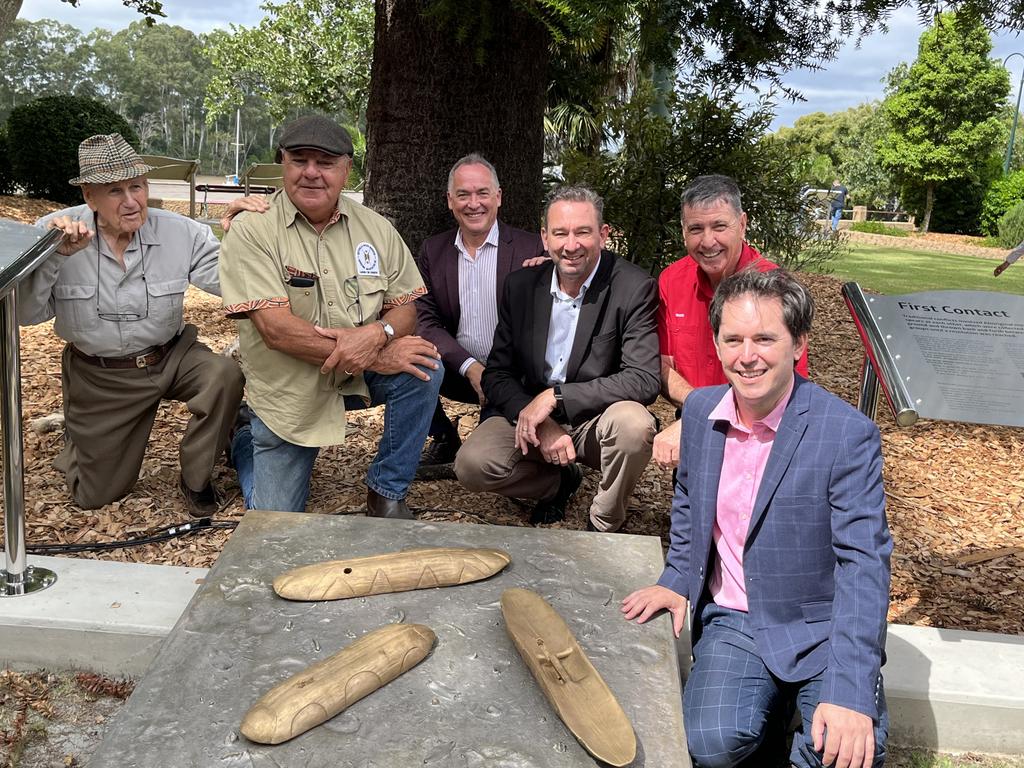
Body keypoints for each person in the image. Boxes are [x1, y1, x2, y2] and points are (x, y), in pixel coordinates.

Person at [622, 269, 892, 768]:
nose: (747, 356)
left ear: (798, 343)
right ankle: (768, 712)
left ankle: (807, 710)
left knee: (842, 754)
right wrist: (678, 577)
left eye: (765, 338)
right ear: (718, 344)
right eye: (733, 339)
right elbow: (689, 505)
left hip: (821, 630)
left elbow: (864, 566)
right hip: (736, 620)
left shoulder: (846, 434)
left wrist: (851, 689)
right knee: (711, 744)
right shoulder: (702, 413)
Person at [219, 114, 442, 518]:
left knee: (425, 365)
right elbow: (277, 332)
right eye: (299, 160)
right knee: (274, 521)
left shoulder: (376, 229)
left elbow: (406, 306)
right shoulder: (252, 230)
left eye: (325, 162)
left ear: (346, 169)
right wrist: (376, 355)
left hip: (352, 377)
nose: (311, 173)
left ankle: (386, 490)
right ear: (282, 163)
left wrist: (380, 331)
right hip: (290, 394)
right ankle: (244, 439)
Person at [18, 133, 250, 517]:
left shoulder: (181, 231)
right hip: (101, 376)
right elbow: (26, 314)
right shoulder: (53, 233)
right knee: (94, 496)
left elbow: (234, 283)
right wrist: (56, 256)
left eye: (137, 186)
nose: (131, 201)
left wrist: (247, 231)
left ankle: (196, 478)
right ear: (89, 196)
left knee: (223, 375)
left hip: (172, 356)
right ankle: (81, 436)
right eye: (115, 191)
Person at [454, 186, 660, 532]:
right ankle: (559, 483)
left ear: (603, 234)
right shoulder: (520, 286)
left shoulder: (633, 287)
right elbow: (497, 374)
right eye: (560, 233)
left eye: (583, 232)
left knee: (635, 426)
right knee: (472, 465)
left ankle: (605, 520)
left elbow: (643, 378)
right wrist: (539, 419)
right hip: (532, 417)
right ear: (545, 237)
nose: (571, 244)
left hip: (595, 420)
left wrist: (556, 398)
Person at [652, 174, 809, 470]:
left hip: (763, 428)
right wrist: (703, 412)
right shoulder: (671, 281)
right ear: (683, 232)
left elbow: (789, 380)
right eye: (696, 228)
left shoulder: (775, 286)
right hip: (694, 417)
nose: (708, 241)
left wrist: (704, 415)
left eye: (719, 226)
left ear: (742, 224)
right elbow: (661, 365)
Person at [415, 153, 545, 467]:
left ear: (498, 197)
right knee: (406, 354)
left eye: (482, 193)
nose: (474, 203)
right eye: (463, 194)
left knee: (492, 463)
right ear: (450, 200)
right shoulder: (433, 251)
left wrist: (552, 277)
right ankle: (443, 435)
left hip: (514, 377)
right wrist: (471, 367)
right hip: (456, 369)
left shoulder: (532, 249)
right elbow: (425, 318)